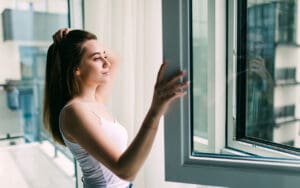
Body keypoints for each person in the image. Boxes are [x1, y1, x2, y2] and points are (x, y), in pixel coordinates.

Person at [43, 28, 189, 188]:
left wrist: (76, 34)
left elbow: (115, 59)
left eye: (104, 56)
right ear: (76, 68)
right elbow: (125, 171)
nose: (107, 63)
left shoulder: (95, 100)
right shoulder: (74, 112)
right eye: (97, 59)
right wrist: (155, 111)